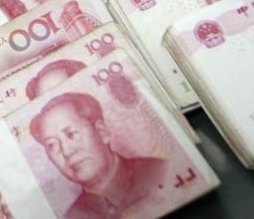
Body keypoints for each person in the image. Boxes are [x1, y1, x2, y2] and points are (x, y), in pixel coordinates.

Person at [29, 92, 167, 219]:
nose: (66, 151)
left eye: (72, 134)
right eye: (52, 145)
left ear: (101, 132)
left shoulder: (163, 173)